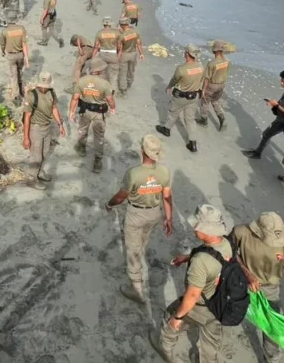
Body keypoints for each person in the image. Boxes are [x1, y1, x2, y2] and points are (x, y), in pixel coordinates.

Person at [231, 212, 284, 360]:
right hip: (240, 280)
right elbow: (230, 253)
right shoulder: (241, 232)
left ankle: (272, 358)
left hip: (269, 288)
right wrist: (247, 273)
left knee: (272, 332)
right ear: (257, 231)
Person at [155, 204, 233, 362]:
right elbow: (213, 258)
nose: (193, 229)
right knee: (210, 342)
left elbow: (192, 295)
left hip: (201, 306)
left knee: (170, 316)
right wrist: (187, 257)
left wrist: (177, 318)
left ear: (205, 230)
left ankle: (165, 347)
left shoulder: (200, 262)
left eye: (196, 226)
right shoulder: (226, 244)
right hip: (219, 303)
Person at [105, 134, 173, 304]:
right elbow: (167, 197)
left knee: (132, 251)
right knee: (143, 238)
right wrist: (169, 218)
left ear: (142, 150)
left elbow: (121, 196)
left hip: (136, 214)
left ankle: (136, 289)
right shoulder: (164, 171)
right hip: (154, 213)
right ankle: (139, 252)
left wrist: (109, 204)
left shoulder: (134, 173)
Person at [69, 57, 115, 173]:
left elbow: (75, 98)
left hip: (85, 111)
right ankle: (98, 161)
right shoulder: (105, 84)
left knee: (82, 130)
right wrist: (113, 108)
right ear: (99, 70)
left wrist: (71, 111)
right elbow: (110, 100)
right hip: (99, 114)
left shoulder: (82, 81)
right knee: (99, 137)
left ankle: (81, 148)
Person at [156, 44, 204, 153]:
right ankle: (192, 143)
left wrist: (169, 87)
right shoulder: (201, 67)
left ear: (187, 54)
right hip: (194, 96)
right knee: (190, 119)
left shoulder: (181, 69)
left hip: (181, 96)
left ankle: (167, 129)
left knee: (173, 113)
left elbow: (174, 80)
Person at [243, 70, 284, 159]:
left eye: (283, 81)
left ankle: (257, 153)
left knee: (266, 134)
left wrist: (276, 105)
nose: (281, 83)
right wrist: (274, 103)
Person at [22, 72, 65, 187]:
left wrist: (60, 124)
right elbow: (27, 117)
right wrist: (26, 137)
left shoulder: (51, 93)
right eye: (42, 86)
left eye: (46, 86)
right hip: (35, 129)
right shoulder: (31, 96)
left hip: (47, 127)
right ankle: (31, 178)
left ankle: (39, 172)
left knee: (45, 153)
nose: (43, 88)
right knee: (36, 156)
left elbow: (54, 108)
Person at [0, 8, 29, 105]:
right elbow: (24, 43)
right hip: (20, 54)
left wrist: (2, 52)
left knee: (13, 75)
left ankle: (16, 96)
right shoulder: (21, 28)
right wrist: (26, 58)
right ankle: (21, 88)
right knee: (19, 71)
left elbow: (2, 44)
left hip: (11, 56)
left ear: (7, 20)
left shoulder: (5, 31)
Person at [197, 40, 232, 131]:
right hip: (221, 85)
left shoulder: (212, 63)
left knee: (205, 102)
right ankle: (222, 118)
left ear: (214, 51)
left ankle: (203, 120)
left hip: (211, 85)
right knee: (215, 101)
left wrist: (203, 91)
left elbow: (206, 78)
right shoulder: (227, 61)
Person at [116, 17, 144, 98]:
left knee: (122, 73)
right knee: (131, 71)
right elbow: (139, 44)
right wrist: (141, 54)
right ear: (128, 24)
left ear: (121, 25)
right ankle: (129, 84)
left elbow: (119, 49)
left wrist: (117, 58)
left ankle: (123, 91)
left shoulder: (121, 36)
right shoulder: (136, 32)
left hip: (124, 55)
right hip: (133, 54)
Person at [92, 16, 120, 86]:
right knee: (113, 75)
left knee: (102, 73)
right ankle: (112, 91)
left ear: (103, 24)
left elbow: (96, 47)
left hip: (102, 54)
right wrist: (118, 57)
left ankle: (103, 89)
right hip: (113, 55)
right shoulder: (117, 33)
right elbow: (119, 47)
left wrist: (93, 58)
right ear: (111, 24)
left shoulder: (99, 33)